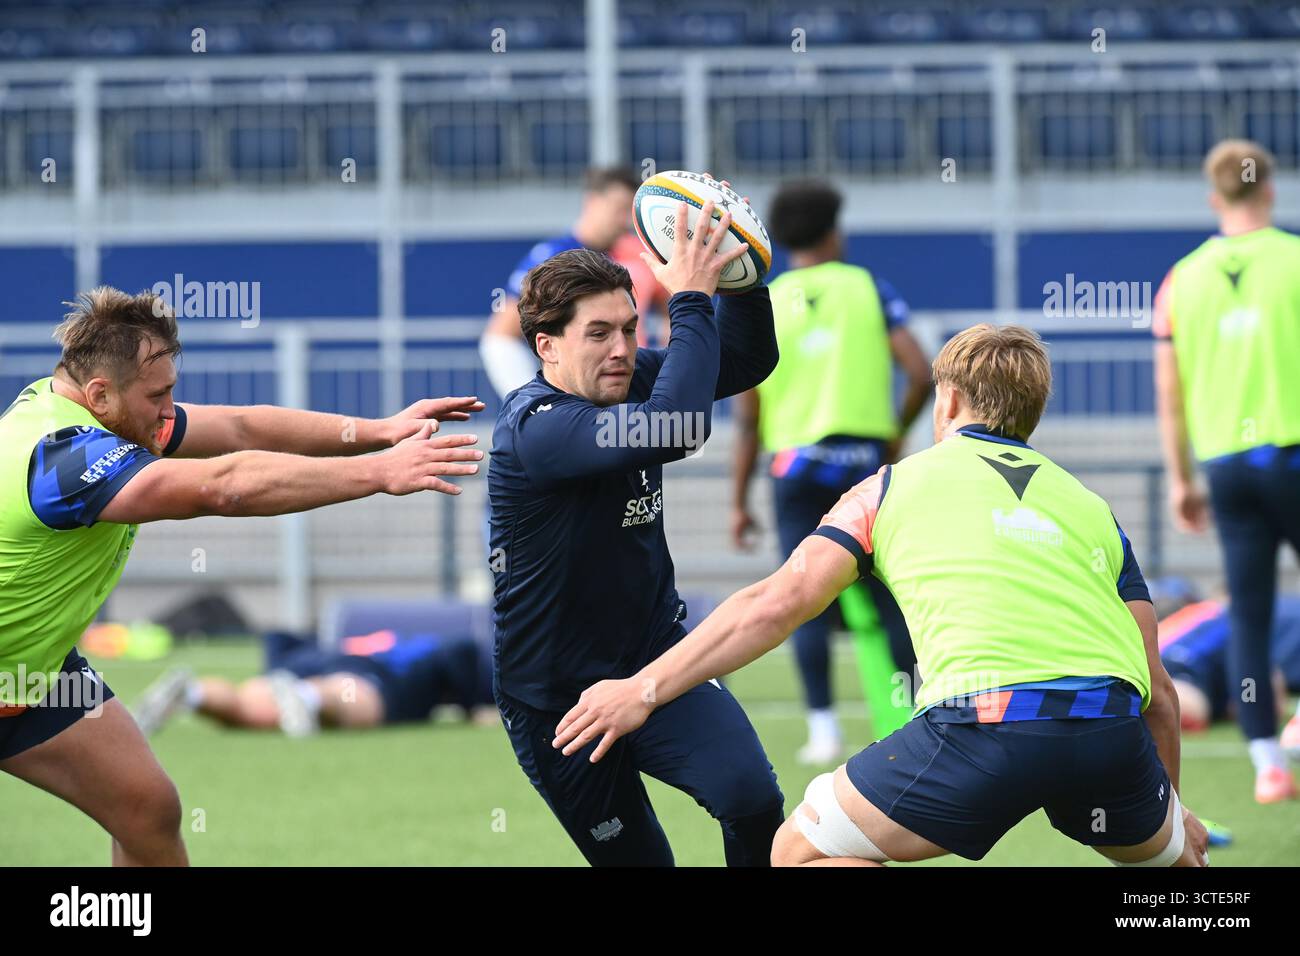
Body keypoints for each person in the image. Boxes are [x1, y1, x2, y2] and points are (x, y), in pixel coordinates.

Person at [555, 323, 1211, 868]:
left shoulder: (893, 487)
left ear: (947, 402)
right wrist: (1173, 816)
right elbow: (1158, 691)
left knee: (797, 853)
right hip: (1108, 737)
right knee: (1181, 867)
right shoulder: (1092, 508)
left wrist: (642, 689)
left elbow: (778, 603)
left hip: (986, 727)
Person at [0, 287, 484, 865]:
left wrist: (378, 432)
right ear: (100, 394)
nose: (169, 410)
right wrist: (378, 473)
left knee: (147, 811)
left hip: (31, 679)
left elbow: (241, 427)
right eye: (158, 395)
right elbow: (223, 486)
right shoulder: (61, 459)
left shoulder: (93, 412)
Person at [489, 200, 784, 866]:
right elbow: (676, 426)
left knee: (751, 800)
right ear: (547, 345)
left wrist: (741, 275)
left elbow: (743, 361)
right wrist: (688, 300)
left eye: (629, 327)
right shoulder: (538, 430)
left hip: (655, 661)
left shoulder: (629, 380)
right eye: (598, 334)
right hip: (556, 701)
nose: (622, 349)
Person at [731, 179, 931, 763]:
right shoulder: (869, 288)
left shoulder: (766, 298)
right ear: (834, 230)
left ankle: (823, 729)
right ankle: (915, 717)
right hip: (866, 464)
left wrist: (738, 499)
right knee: (891, 595)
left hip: (794, 466)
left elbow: (748, 415)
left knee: (802, 596)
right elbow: (921, 371)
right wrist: (895, 429)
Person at [1153, 138, 1300, 803]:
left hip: (1225, 465)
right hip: (1291, 450)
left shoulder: (1182, 279)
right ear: (1270, 190)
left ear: (1215, 198)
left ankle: (1269, 766)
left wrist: (1181, 478)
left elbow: (1170, 389)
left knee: (1248, 609)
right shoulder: (1294, 260)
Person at [478, 166, 668, 399]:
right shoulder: (552, 257)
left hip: (635, 387)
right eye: (619, 210)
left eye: (630, 213)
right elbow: (499, 337)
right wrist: (534, 401)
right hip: (587, 401)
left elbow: (668, 302)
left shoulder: (636, 253)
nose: (625, 221)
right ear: (592, 202)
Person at [134, 627, 493, 737]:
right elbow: (460, 649)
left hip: (310, 659)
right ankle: (306, 697)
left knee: (246, 709)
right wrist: (473, 707)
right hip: (369, 677)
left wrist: (277, 667)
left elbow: (277, 636)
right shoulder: (421, 649)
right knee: (347, 694)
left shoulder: (356, 637)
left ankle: (193, 694)